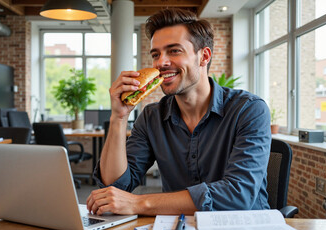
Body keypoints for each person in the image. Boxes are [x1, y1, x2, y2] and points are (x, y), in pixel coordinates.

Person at [87, 8, 271, 216]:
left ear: (204, 56)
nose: (161, 63)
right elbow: (116, 188)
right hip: (177, 229)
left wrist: (140, 203)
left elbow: (238, 195)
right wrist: (119, 117)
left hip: (245, 228)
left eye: (174, 51)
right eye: (156, 54)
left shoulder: (248, 110)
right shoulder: (151, 117)